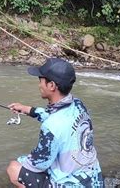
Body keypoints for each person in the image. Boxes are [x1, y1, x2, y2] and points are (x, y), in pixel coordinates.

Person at [6, 57, 103, 187]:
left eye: (40, 80)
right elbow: (55, 117)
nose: (39, 84)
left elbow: (40, 164)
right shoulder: (78, 105)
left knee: (13, 168)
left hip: (71, 184)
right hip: (94, 179)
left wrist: (21, 161)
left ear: (51, 86)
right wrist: (28, 110)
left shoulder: (51, 126)